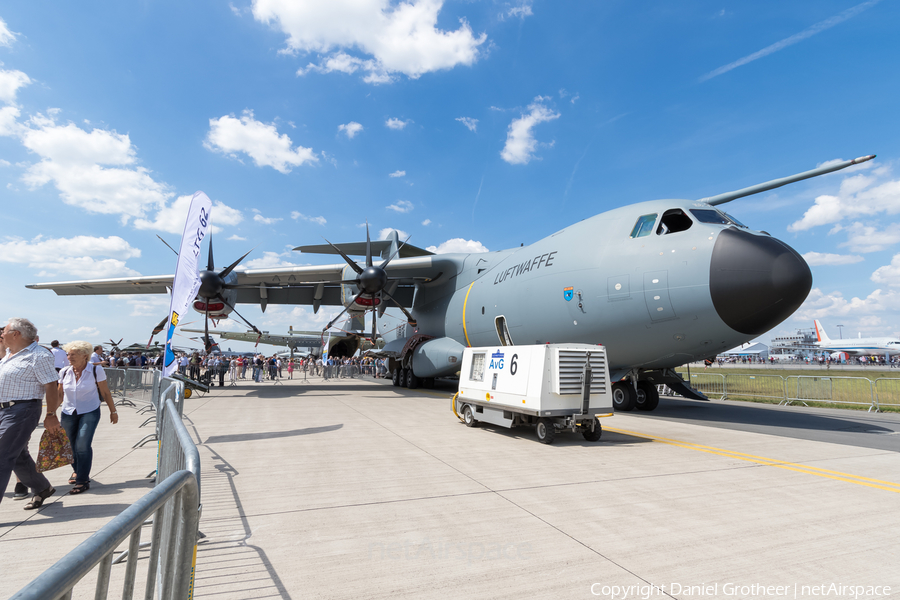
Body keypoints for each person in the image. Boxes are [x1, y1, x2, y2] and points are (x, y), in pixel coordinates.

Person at [0, 318, 58, 509]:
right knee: (17, 455)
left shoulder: (39, 355)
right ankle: (42, 488)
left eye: (4, 331)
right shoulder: (9, 353)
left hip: (22, 410)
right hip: (5, 409)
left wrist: (50, 414)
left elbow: (51, 384)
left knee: (2, 455)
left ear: (15, 334)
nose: (1, 334)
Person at [54, 341, 118, 494]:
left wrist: (113, 411)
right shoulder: (64, 372)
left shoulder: (96, 370)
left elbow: (105, 392)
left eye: (73, 354)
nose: (69, 357)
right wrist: (50, 413)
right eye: (68, 354)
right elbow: (59, 395)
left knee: (82, 444)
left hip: (90, 410)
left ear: (85, 356)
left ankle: (82, 480)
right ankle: (77, 470)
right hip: (68, 412)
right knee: (70, 445)